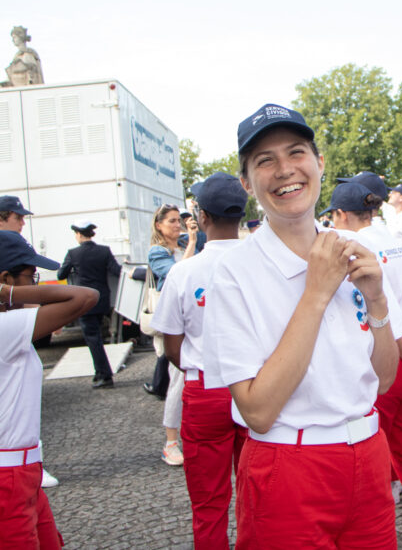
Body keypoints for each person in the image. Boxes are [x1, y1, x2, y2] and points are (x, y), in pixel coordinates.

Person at [208, 103, 402, 549]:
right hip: (288, 467)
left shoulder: (352, 252)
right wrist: (316, 293)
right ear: (246, 182)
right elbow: (256, 410)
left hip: (369, 457)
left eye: (296, 152)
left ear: (319, 163)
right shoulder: (235, 271)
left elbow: (384, 379)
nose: (284, 170)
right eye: (264, 160)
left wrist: (376, 301)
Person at [0, 230, 97, 548]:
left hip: (7, 476)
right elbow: (85, 297)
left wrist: (3, 295)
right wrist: (4, 294)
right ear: (4, 279)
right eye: (31, 277)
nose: (34, 285)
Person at [328, 175, 402, 541]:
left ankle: (383, 521)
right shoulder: (393, 241)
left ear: (343, 214)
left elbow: (387, 314)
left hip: (389, 354)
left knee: (374, 448)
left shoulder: (351, 245)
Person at [151, 172, 249, 549]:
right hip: (257, 387)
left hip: (204, 388)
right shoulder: (263, 264)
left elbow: (173, 346)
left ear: (201, 217)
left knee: (208, 504)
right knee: (257, 496)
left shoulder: (184, 271)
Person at [0, 194, 60, 489]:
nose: (21, 222)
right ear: (0, 218)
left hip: (18, 326)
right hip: (0, 333)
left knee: (28, 404)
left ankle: (33, 463)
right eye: (17, 217)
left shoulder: (18, 246)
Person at [146, 203, 199, 465]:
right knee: (178, 381)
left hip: (193, 318)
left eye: (179, 220)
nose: (177, 225)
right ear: (159, 225)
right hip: (172, 321)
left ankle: (186, 437)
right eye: (172, 221)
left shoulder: (186, 247)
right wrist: (191, 243)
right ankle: (170, 442)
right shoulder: (158, 252)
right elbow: (179, 274)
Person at [56, 220, 121, 388]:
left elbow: (61, 274)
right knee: (97, 337)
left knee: (93, 339)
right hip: (102, 300)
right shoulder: (104, 251)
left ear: (78, 234)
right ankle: (99, 372)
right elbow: (117, 271)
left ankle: (105, 375)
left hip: (84, 301)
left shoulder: (73, 253)